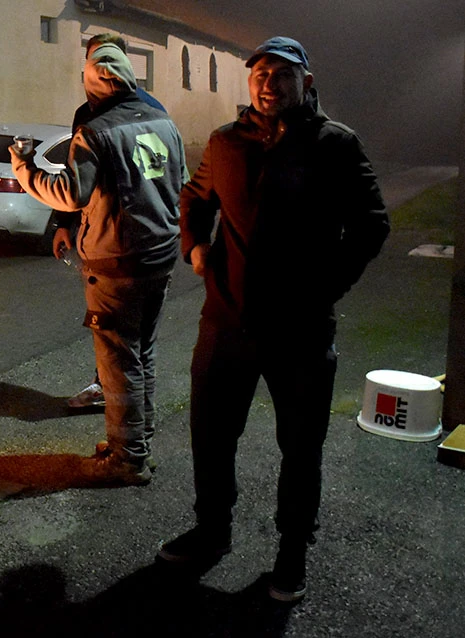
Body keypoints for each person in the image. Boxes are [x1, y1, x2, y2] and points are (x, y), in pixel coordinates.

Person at [156, 37, 390, 603]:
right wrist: (196, 248)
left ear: (305, 82)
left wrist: (325, 288)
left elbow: (371, 224)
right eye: (259, 73)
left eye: (281, 74)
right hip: (226, 322)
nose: (267, 83)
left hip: (301, 331)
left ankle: (291, 554)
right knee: (211, 438)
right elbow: (194, 197)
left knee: (301, 446)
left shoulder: (335, 145)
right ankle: (212, 530)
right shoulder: (226, 141)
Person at [12, 44, 187, 485]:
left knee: (118, 362)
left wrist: (23, 170)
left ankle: (126, 461)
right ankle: (137, 444)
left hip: (117, 261)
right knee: (141, 354)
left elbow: (70, 193)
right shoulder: (164, 122)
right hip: (160, 254)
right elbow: (179, 184)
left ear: (91, 84)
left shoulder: (96, 130)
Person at [58, 33, 168, 411]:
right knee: (135, 347)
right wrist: (64, 224)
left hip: (120, 248)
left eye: (105, 61)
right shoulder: (86, 113)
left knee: (121, 345)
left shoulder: (146, 110)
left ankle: (128, 451)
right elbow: (78, 176)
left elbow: (73, 188)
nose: (99, 71)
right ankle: (130, 424)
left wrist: (25, 169)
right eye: (92, 62)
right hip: (147, 246)